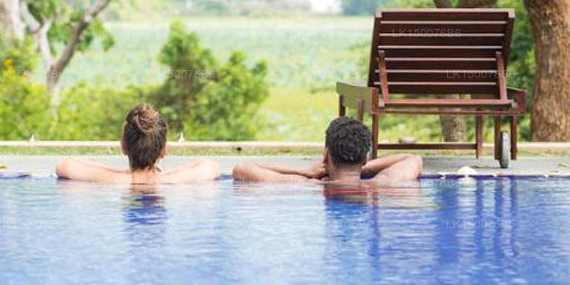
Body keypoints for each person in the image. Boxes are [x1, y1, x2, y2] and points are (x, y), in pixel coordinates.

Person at [55, 104, 221, 184]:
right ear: (163, 151)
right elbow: (210, 165)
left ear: (123, 147)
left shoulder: (113, 179)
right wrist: (164, 174)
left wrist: (119, 172)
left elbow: (64, 165)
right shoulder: (171, 180)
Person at [232, 116, 422, 185]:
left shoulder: (308, 185)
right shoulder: (383, 183)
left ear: (326, 155)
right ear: (365, 157)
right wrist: (358, 167)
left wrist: (306, 171)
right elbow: (412, 158)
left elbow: (242, 168)